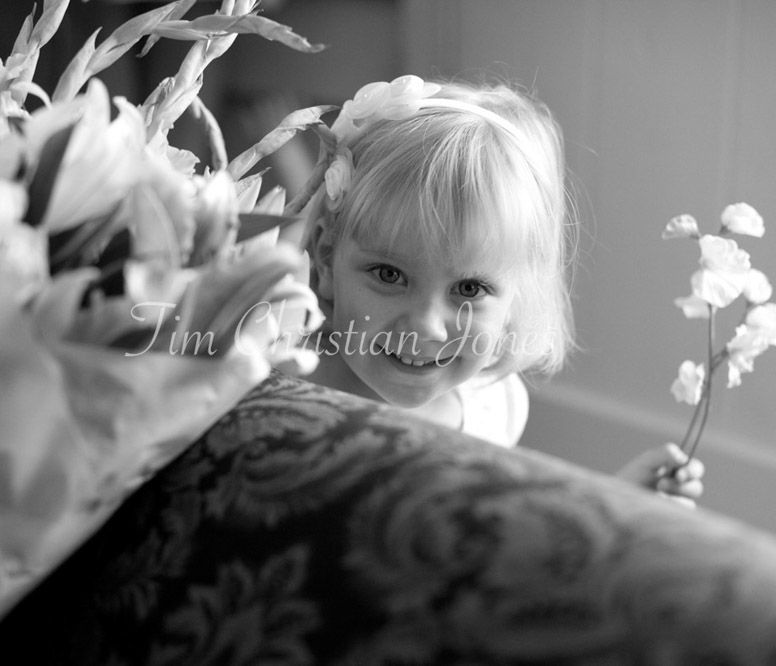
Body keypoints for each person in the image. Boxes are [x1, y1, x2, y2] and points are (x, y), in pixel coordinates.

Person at [294, 74, 704, 504]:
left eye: (469, 288)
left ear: (515, 299)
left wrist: (609, 505)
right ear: (325, 258)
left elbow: (499, 528)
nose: (426, 327)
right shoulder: (280, 386)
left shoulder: (493, 408)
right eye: (389, 274)